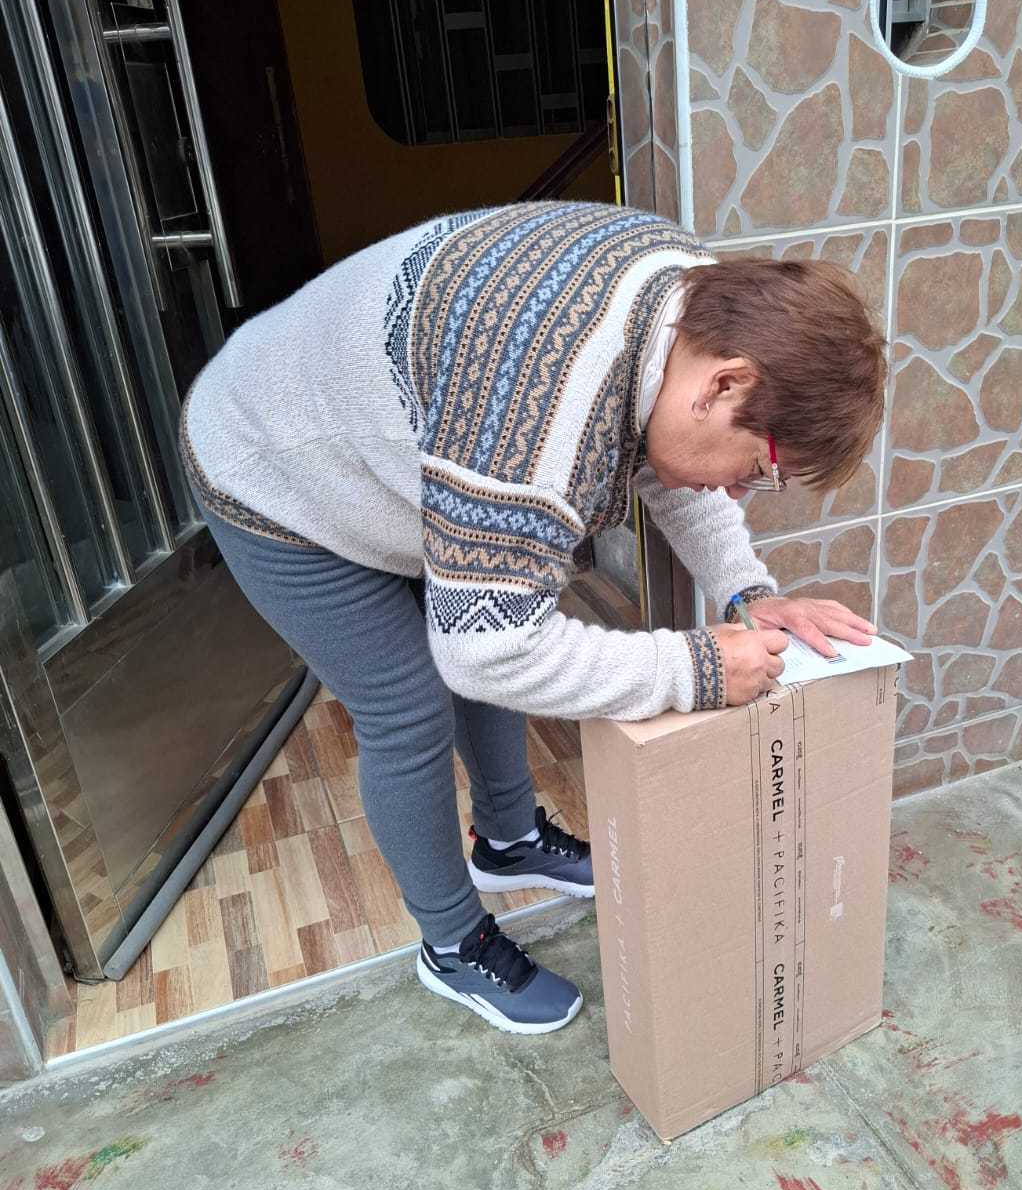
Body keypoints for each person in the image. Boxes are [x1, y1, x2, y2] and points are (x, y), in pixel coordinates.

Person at [181, 201, 885, 1035]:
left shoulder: (692, 301)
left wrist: (746, 591)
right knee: (409, 705)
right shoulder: (539, 402)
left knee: (500, 595)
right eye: (761, 469)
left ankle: (508, 841)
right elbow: (487, 652)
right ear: (726, 383)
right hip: (274, 469)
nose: (741, 490)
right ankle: (452, 943)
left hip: (384, 445)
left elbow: (672, 463)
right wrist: (696, 669)